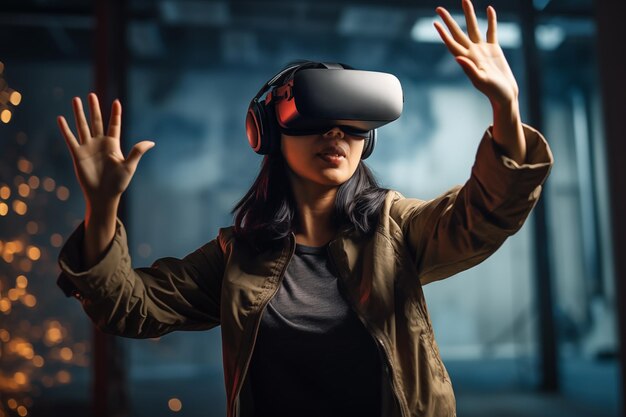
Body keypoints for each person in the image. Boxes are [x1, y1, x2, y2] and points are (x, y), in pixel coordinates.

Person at [55, 1, 553, 416]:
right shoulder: (238, 257)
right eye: (317, 118)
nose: (336, 134)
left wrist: (505, 108)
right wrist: (102, 209)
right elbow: (129, 307)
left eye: (353, 123)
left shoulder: (397, 229)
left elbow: (484, 216)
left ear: (368, 139)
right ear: (269, 133)